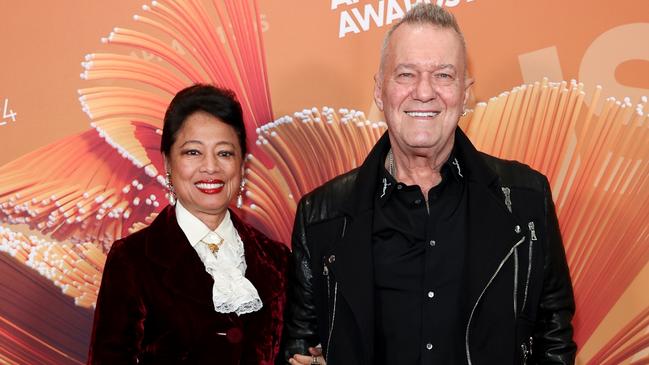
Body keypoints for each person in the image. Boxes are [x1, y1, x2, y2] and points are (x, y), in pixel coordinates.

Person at [280, 4, 576, 365]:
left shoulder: (526, 200)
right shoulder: (321, 216)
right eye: (405, 74)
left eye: (443, 75)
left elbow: (554, 334)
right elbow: (299, 349)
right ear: (379, 89)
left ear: (466, 93)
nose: (424, 92)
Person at [88, 84, 290, 364]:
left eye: (225, 153)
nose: (210, 167)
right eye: (193, 152)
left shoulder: (278, 260)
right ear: (168, 163)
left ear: (242, 164)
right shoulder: (132, 260)